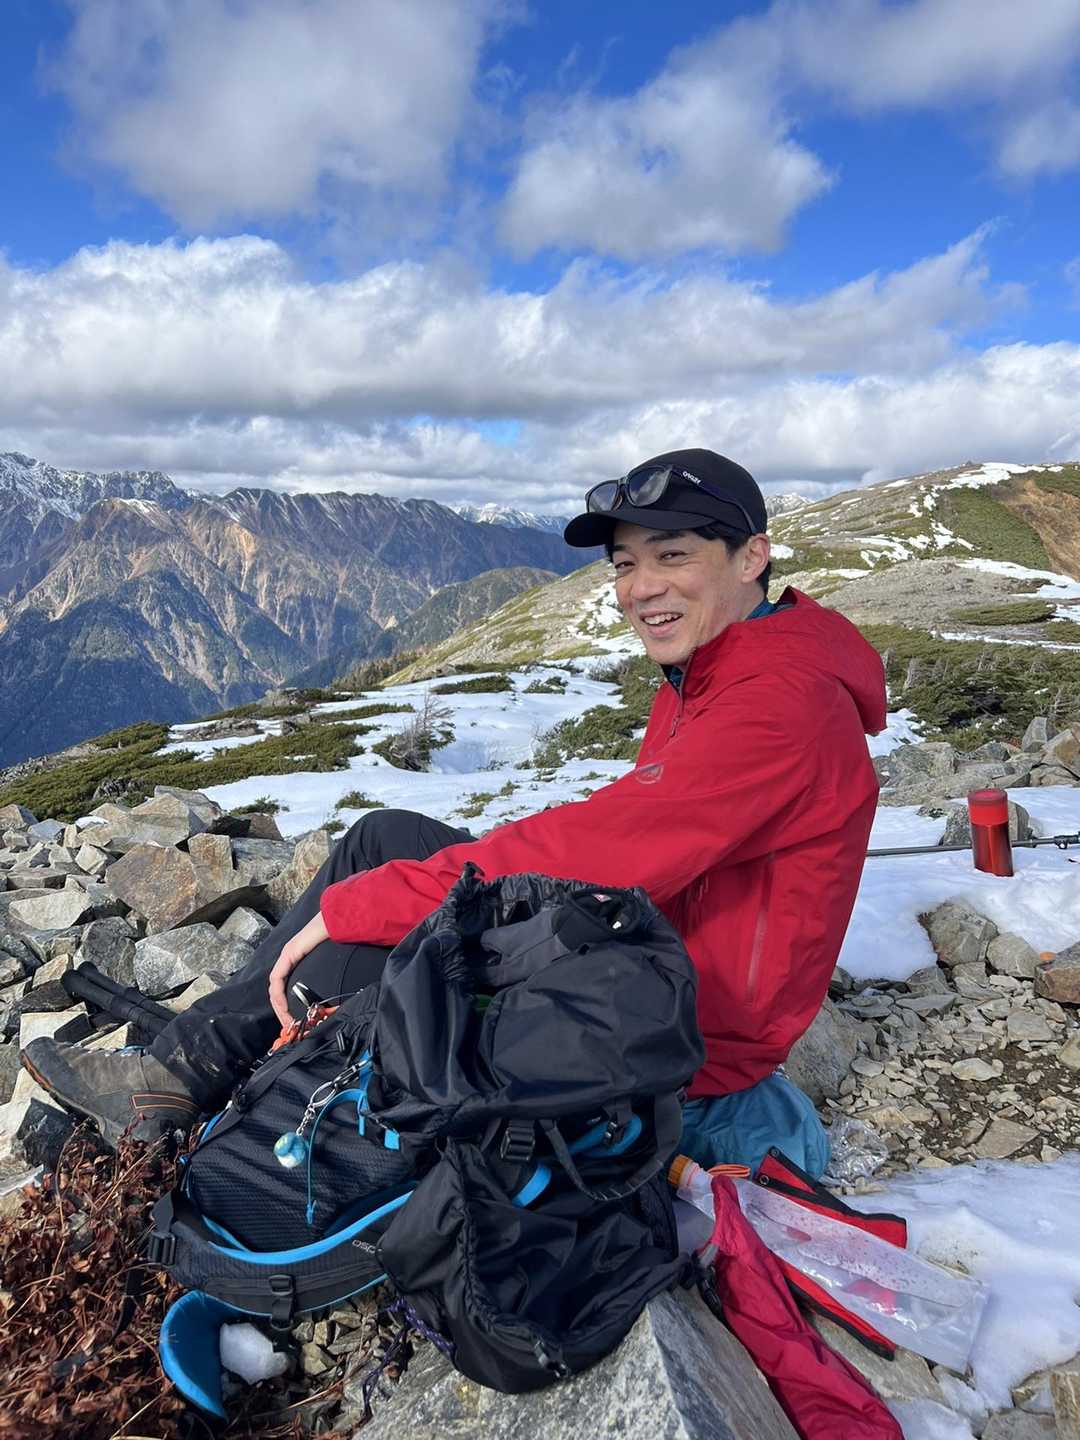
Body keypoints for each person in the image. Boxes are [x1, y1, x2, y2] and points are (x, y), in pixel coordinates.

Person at [22, 448, 886, 1176]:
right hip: (652, 953)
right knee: (382, 839)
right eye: (626, 564)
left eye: (672, 555)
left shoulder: (778, 703)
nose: (641, 587)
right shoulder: (725, 664)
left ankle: (186, 1083)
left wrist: (366, 909)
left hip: (676, 1027)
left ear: (752, 556)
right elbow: (641, 836)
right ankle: (200, 1057)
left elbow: (609, 851)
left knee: (373, 940)